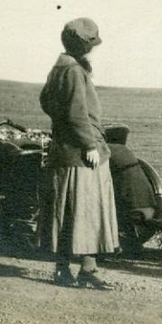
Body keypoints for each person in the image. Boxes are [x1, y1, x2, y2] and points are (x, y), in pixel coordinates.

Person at [39, 17, 118, 289]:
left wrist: (61, 125)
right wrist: (90, 145)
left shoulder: (59, 68)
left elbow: (46, 101)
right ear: (83, 46)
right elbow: (77, 113)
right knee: (85, 212)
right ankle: (81, 269)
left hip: (64, 151)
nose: (93, 49)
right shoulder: (73, 71)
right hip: (79, 155)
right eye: (91, 45)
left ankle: (73, 269)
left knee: (69, 214)